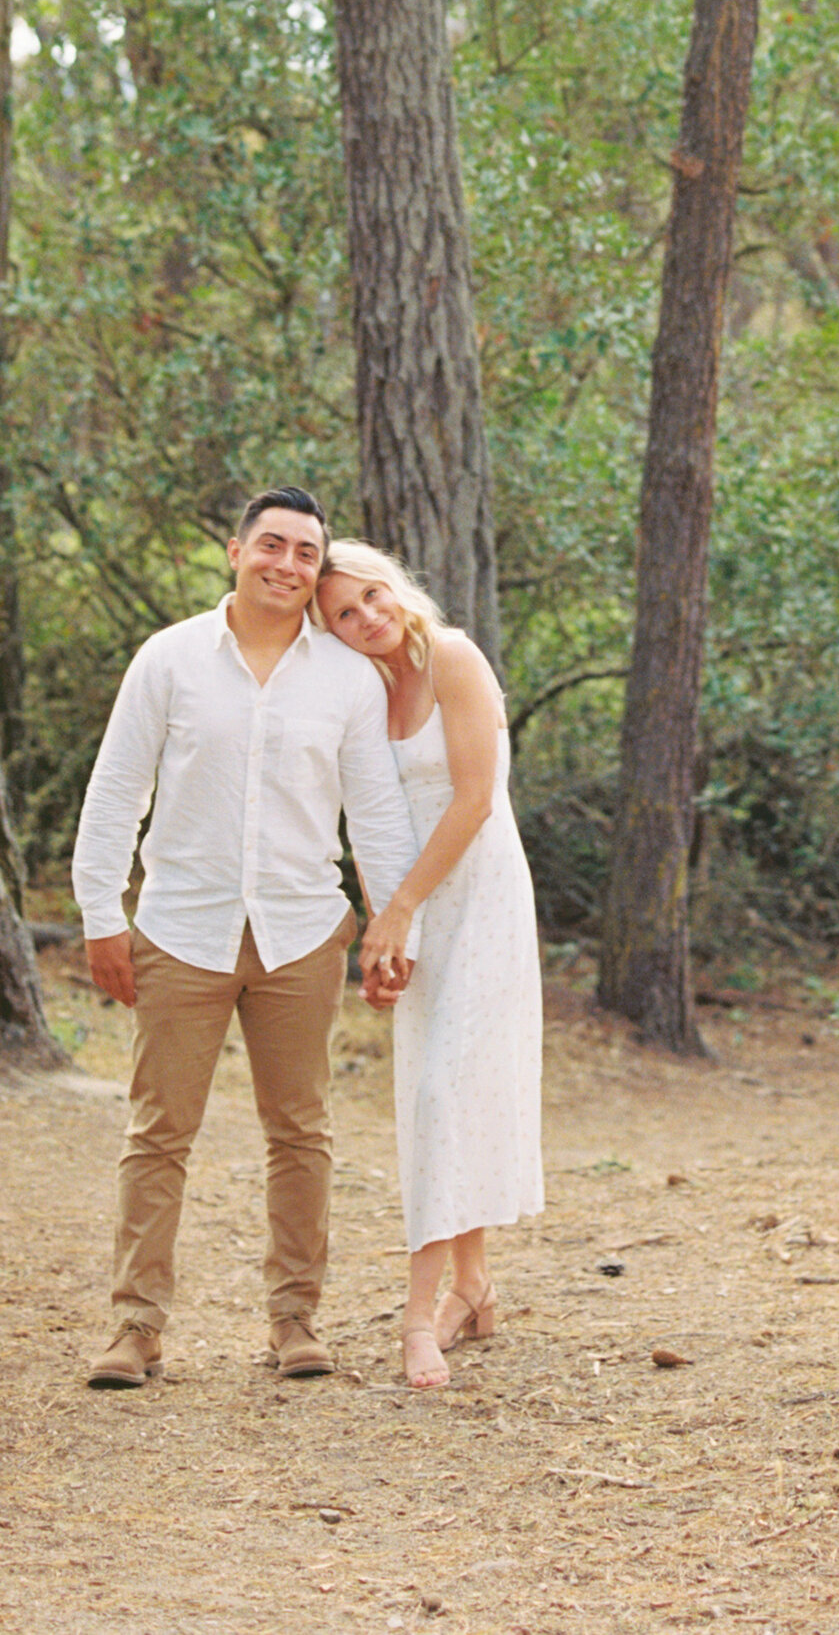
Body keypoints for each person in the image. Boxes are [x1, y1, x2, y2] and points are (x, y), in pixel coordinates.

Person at [72, 485, 422, 1391]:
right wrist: (101, 914)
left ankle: (295, 1321)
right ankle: (135, 1328)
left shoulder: (346, 677)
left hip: (303, 935)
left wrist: (389, 924)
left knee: (301, 1132)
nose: (288, 565)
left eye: (307, 553)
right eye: (273, 545)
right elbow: (116, 790)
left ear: (319, 570)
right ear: (236, 551)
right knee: (157, 1134)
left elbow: (375, 812)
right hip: (182, 929)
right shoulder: (171, 660)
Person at [316, 538, 543, 1389]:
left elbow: (477, 799)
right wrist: (389, 933)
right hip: (413, 907)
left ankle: (417, 1317)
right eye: (343, 613)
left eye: (371, 596)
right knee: (437, 1093)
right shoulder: (368, 691)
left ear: (394, 584)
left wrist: (402, 909)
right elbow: (374, 819)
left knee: (447, 1092)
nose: (366, 618)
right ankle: (475, 1289)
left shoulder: (451, 657)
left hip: (478, 897)